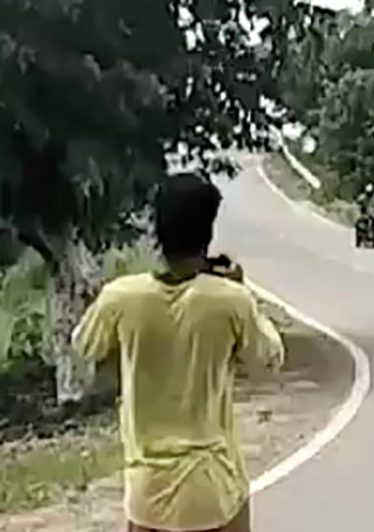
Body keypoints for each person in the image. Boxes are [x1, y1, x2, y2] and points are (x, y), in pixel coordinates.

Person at [72, 173, 285, 532]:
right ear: (209, 232)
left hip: (147, 492)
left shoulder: (121, 297)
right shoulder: (229, 299)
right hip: (213, 488)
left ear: (157, 232)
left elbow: (85, 346)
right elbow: (269, 359)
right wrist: (241, 290)